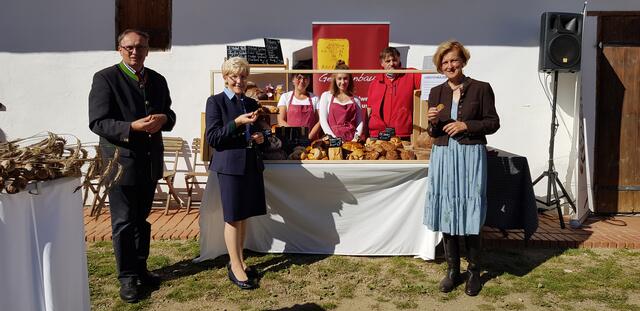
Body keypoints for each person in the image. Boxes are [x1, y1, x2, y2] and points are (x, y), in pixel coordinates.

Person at [88, 29, 176, 303]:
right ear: (119, 49)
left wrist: (165, 118)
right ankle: (127, 278)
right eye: (129, 47)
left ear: (148, 49)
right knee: (124, 223)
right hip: (121, 163)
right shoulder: (105, 78)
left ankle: (140, 268)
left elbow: (170, 114)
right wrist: (131, 127)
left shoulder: (158, 80)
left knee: (142, 220)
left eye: (140, 47)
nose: (134, 52)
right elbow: (98, 122)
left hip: (150, 162)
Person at [424, 40, 500, 296]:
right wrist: (432, 122)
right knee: (448, 210)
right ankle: (452, 271)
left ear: (463, 61)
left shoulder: (481, 89)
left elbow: (493, 122)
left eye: (454, 60)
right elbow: (434, 132)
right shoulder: (435, 92)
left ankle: (474, 273)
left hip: (469, 155)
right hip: (444, 155)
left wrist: (466, 125)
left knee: (470, 212)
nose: (449, 65)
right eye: (444, 62)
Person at [204, 56, 266, 290]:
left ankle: (240, 260)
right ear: (225, 78)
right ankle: (234, 265)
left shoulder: (250, 103)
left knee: (244, 214)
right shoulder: (215, 102)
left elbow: (259, 133)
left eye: (242, 76)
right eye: (234, 77)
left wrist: (260, 138)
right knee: (233, 216)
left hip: (250, 164)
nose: (239, 81)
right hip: (229, 166)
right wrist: (237, 123)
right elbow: (213, 138)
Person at [367, 47, 421, 140]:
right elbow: (369, 110)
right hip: (378, 134)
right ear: (382, 63)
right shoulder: (375, 82)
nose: (392, 64)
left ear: (399, 60)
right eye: (388, 61)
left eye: (394, 60)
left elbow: (430, 81)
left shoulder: (411, 74)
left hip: (402, 133)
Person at [318, 60, 364, 142]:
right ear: (335, 79)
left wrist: (355, 139)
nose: (342, 82)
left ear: (349, 80)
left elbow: (359, 122)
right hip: (333, 141)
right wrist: (334, 139)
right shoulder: (326, 96)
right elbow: (323, 121)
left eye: (345, 79)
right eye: (339, 79)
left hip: (351, 141)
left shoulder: (356, 100)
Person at [276, 64, 321, 140]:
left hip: (310, 141)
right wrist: (295, 135)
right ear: (293, 80)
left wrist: (309, 137)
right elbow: (281, 120)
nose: (302, 81)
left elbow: (320, 121)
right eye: (299, 78)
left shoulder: (315, 98)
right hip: (291, 140)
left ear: (309, 81)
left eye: (305, 78)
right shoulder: (285, 97)